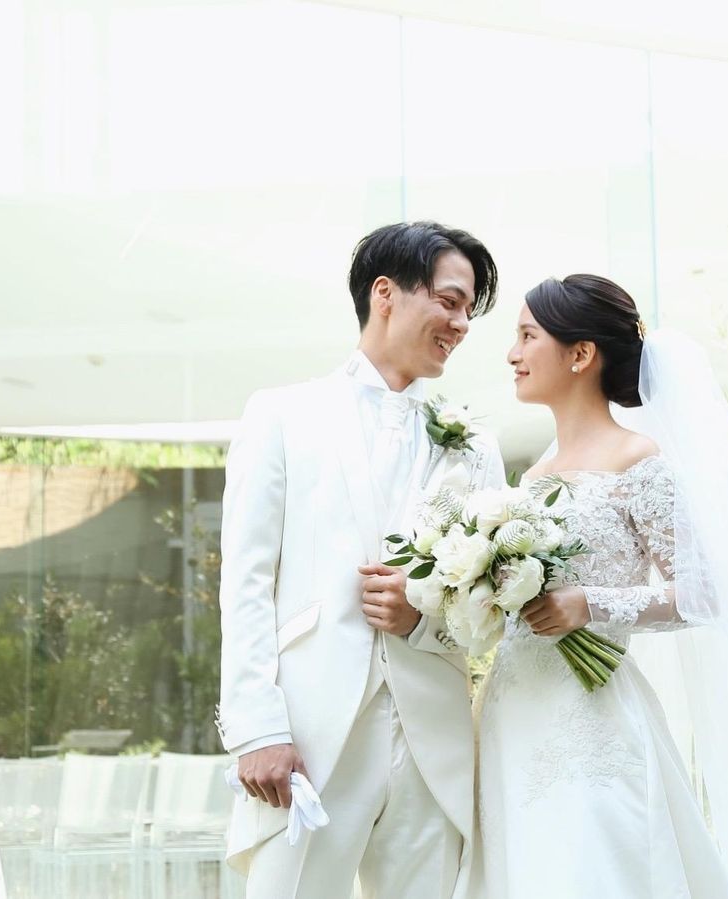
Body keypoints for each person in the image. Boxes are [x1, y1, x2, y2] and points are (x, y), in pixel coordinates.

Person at [464, 274, 728, 898]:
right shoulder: (532, 476)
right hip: (511, 711)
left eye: (527, 336)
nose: (512, 354)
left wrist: (589, 605)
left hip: (591, 714)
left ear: (580, 354)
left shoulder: (637, 459)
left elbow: (702, 594)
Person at [216, 221, 504, 898]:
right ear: (385, 293)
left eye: (469, 311)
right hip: (307, 738)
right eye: (450, 301)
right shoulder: (281, 415)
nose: (461, 324)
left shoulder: (475, 448)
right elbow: (246, 581)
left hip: (432, 740)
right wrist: (257, 728)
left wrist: (421, 617)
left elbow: (493, 607)